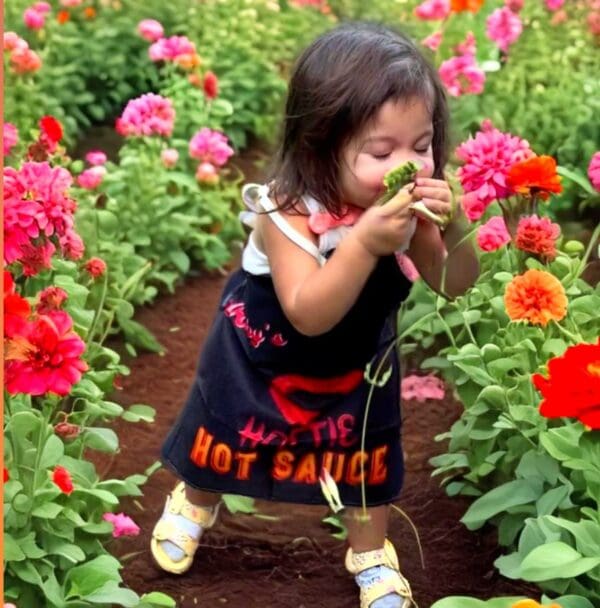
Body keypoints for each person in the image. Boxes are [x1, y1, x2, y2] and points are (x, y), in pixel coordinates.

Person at [151, 21, 479, 608]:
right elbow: (306, 313)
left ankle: (371, 553)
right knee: (227, 427)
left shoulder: (406, 209)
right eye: (382, 152)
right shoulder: (284, 212)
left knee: (365, 445)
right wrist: (362, 245)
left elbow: (455, 282)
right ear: (318, 146)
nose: (409, 165)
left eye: (422, 144)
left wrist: (452, 223)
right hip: (267, 347)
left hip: (357, 357)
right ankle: (196, 498)